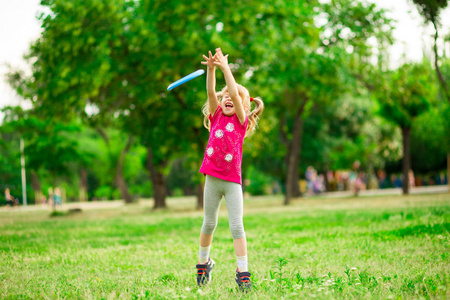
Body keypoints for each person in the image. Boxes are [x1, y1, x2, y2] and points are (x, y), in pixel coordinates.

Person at [196, 48, 264, 292]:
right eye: (223, 95)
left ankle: (243, 272)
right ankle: (203, 264)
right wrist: (212, 69)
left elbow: (235, 92)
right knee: (208, 224)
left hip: (232, 182)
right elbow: (210, 91)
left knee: (237, 226)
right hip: (213, 180)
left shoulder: (240, 121)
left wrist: (226, 68)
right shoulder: (215, 117)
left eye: (232, 96)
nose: (227, 97)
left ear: (243, 106)